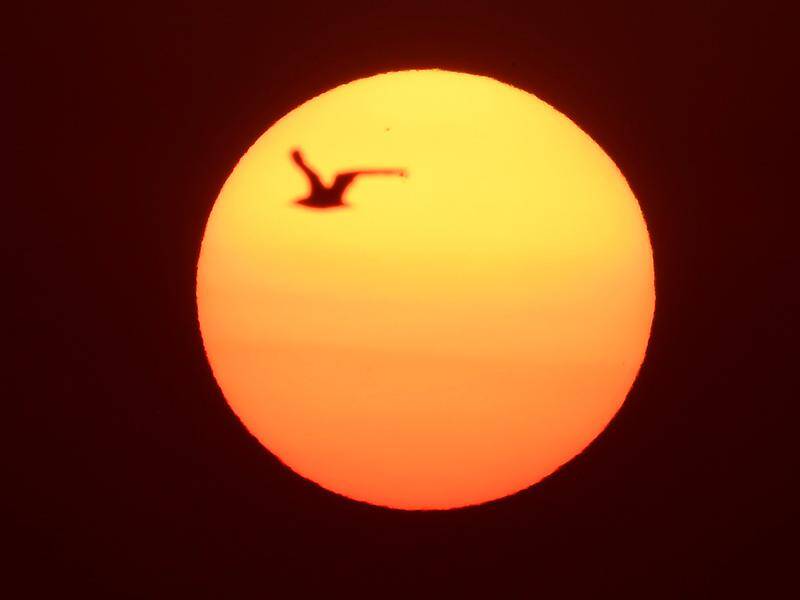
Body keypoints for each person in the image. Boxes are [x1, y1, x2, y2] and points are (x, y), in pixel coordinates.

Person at [290, 149, 406, 208]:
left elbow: (310, 173)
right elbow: (310, 174)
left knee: (344, 175)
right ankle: (395, 172)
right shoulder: (316, 192)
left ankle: (395, 172)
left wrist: (299, 161)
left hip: (334, 200)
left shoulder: (316, 194)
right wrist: (299, 162)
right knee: (344, 175)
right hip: (334, 200)